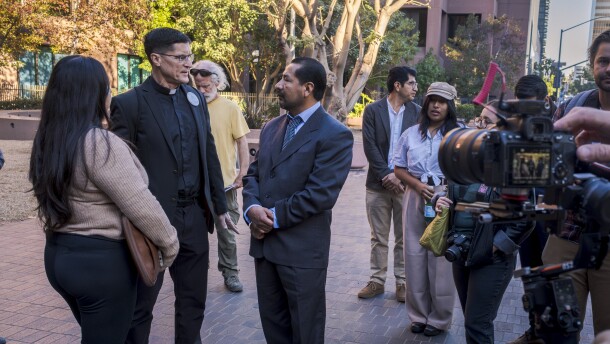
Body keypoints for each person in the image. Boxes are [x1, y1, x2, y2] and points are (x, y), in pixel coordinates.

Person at [29, 55, 179, 343]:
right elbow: (140, 203)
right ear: (94, 94)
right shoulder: (99, 142)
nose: (110, 94)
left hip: (60, 255)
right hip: (101, 264)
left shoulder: (50, 139)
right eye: (107, 87)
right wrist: (169, 244)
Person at [110, 28, 234, 344]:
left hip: (194, 215)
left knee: (193, 302)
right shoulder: (129, 104)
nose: (188, 65)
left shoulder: (194, 97)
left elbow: (209, 154)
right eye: (180, 57)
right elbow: (121, 172)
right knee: (141, 307)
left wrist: (219, 208)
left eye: (189, 57)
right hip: (151, 222)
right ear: (156, 59)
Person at [242, 57, 353, 343]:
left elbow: (320, 195)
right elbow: (253, 175)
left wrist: (270, 219)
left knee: (306, 331)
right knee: (274, 330)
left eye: (286, 79)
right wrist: (252, 209)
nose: (278, 85)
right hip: (265, 249)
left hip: (302, 253)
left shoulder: (335, 134)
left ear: (308, 88)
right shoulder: (271, 127)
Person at [511, 30, 610, 343]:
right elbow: (540, 162)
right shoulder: (571, 108)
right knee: (555, 331)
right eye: (604, 61)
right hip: (567, 237)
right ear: (592, 65)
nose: (609, 68)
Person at [434, 110, 533, 344]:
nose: (479, 124)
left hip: (492, 258)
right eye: (479, 119)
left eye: (486, 121)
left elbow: (525, 218)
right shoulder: (467, 156)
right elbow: (452, 195)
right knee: (471, 318)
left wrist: (496, 247)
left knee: (477, 323)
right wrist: (439, 201)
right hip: (461, 251)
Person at [393, 82, 459, 337]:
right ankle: (418, 315)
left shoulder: (458, 134)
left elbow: (466, 170)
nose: (436, 105)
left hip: (446, 199)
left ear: (450, 106)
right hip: (415, 196)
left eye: (442, 101)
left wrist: (445, 192)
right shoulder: (411, 133)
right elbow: (398, 168)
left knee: (441, 259)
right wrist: (419, 186)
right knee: (414, 254)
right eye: (432, 100)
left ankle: (440, 318)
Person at [358, 66, 420, 302]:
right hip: (376, 184)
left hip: (405, 186)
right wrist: (387, 174)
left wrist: (400, 176)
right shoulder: (373, 111)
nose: (415, 88)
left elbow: (418, 149)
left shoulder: (418, 113)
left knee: (404, 237)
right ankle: (377, 281)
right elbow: (370, 146)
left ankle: (403, 283)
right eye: (412, 83)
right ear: (397, 85)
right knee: (378, 237)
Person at [191, 59, 250, 293]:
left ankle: (230, 273)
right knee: (194, 233)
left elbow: (241, 141)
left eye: (206, 86)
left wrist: (243, 172)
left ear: (217, 83)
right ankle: (196, 272)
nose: (202, 90)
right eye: (199, 86)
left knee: (227, 232)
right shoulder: (190, 105)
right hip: (195, 185)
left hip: (224, 184)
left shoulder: (230, 108)